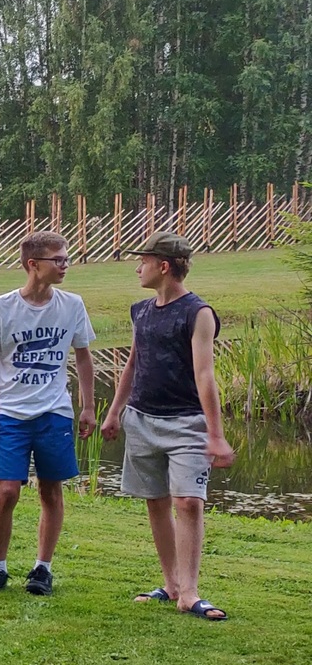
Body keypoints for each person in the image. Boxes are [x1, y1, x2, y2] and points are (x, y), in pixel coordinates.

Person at [99, 233, 236, 620]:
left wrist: (215, 435)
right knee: (156, 501)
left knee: (188, 502)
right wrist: (114, 412)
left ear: (164, 266)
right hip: (142, 419)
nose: (137, 268)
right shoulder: (140, 311)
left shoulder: (198, 313)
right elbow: (133, 364)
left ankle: (190, 593)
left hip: (187, 422)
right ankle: (172, 585)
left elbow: (205, 375)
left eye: (142, 261)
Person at [0, 230, 97, 596]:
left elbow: (83, 357)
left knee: (51, 491)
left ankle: (43, 568)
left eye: (66, 259)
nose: (65, 265)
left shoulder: (72, 305)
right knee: (7, 491)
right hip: (10, 414)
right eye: (58, 260)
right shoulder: (0, 308)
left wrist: (88, 407)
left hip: (54, 412)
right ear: (33, 264)